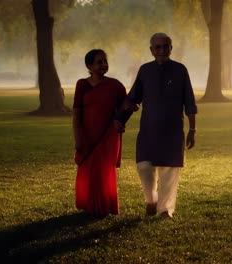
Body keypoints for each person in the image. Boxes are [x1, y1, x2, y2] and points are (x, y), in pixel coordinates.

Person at [115, 33, 197, 219]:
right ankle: (151, 200)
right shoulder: (145, 71)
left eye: (165, 46)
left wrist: (192, 130)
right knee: (144, 166)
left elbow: (190, 102)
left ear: (171, 48)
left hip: (173, 130)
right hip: (149, 130)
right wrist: (120, 119)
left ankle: (165, 209)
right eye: (157, 47)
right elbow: (133, 98)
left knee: (169, 170)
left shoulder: (180, 70)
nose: (162, 50)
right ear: (151, 50)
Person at [73, 49, 127, 217]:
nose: (104, 65)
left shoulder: (115, 85)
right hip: (88, 134)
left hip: (108, 136)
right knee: (88, 170)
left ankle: (104, 206)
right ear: (89, 65)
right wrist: (77, 139)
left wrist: (122, 121)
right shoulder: (82, 84)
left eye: (105, 61)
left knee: (103, 170)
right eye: (99, 62)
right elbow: (76, 114)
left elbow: (126, 108)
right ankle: (89, 204)